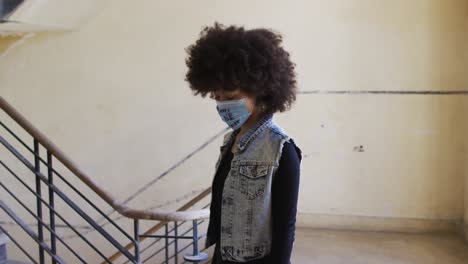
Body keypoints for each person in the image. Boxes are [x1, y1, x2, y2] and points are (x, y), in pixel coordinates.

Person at [185, 22, 302, 264]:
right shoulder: (230, 142)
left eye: (232, 98)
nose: (223, 106)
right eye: (217, 98)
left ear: (260, 92)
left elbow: (285, 227)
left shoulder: (282, 149)